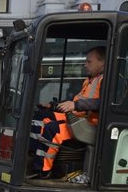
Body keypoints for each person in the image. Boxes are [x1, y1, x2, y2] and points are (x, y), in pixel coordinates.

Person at [34, 46, 105, 175]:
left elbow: (102, 103)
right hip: (79, 119)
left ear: (103, 63)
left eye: (89, 62)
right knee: (41, 116)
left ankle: (43, 171)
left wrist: (76, 105)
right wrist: (53, 105)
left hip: (91, 125)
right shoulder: (90, 80)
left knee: (52, 128)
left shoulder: (106, 80)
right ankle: (31, 157)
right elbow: (76, 101)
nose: (85, 65)